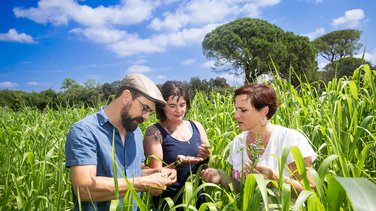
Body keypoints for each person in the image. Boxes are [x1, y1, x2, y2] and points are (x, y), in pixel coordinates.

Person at [65, 73, 177, 211]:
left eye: (150, 112)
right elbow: (83, 187)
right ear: (126, 97)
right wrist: (141, 183)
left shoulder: (135, 131)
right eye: (145, 108)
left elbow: (135, 172)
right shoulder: (85, 131)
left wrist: (158, 173)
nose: (147, 117)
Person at [201, 83, 316, 194]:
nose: (236, 115)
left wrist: (275, 178)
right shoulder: (238, 142)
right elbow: (239, 189)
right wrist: (221, 179)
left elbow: (310, 189)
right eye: (236, 109)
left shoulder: (290, 139)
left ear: (264, 111)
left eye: (243, 110)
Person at [143, 80, 211, 209]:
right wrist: (178, 164)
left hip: (197, 197)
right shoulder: (154, 132)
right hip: (170, 201)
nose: (179, 110)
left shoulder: (196, 126)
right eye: (172, 105)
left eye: (182, 104)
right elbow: (155, 176)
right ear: (162, 106)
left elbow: (205, 165)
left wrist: (206, 155)